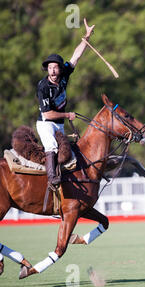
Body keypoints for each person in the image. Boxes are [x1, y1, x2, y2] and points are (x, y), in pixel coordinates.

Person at [36, 18, 94, 190]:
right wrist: (68, 115)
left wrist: (87, 37)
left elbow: (76, 56)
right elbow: (47, 114)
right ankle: (52, 179)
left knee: (67, 153)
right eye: (50, 68)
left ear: (60, 69)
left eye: (56, 67)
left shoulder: (63, 76)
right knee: (52, 146)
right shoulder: (43, 86)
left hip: (59, 124)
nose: (53, 71)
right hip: (46, 124)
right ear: (47, 69)